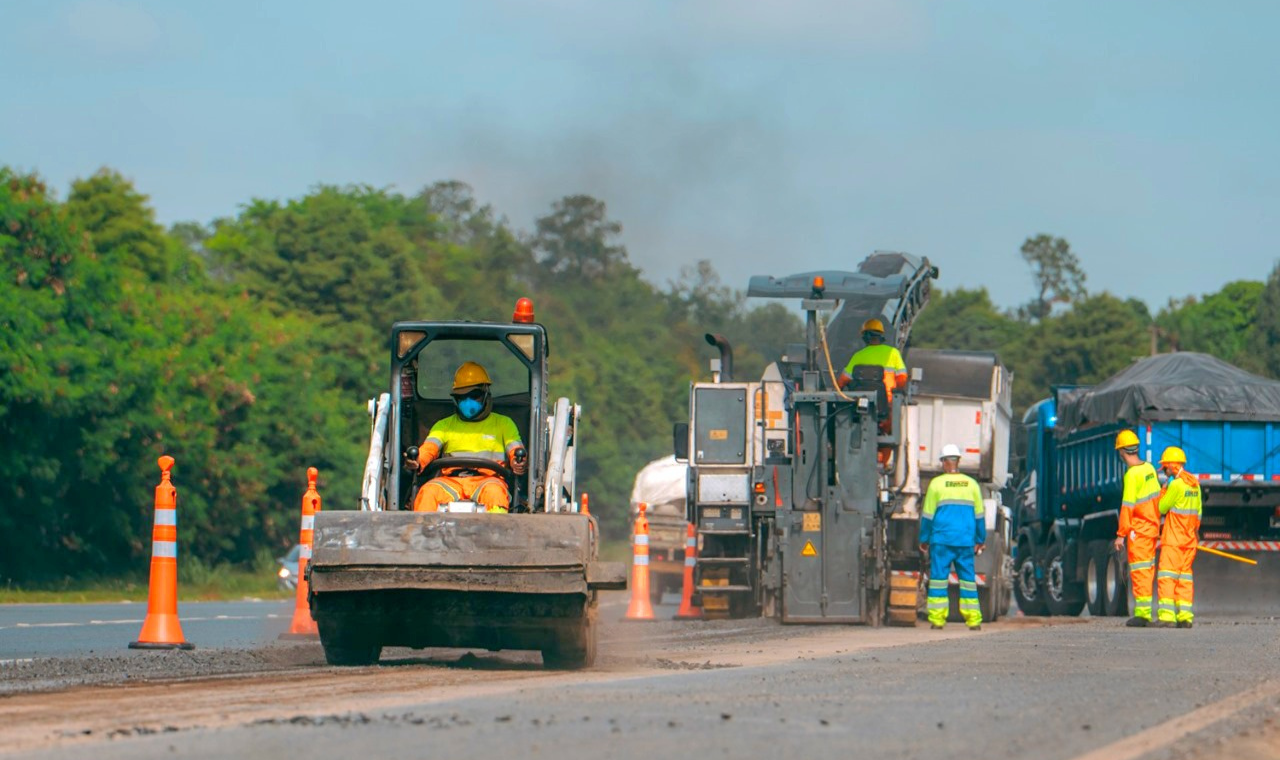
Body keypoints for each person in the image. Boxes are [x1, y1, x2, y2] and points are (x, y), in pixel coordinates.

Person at [407, 361, 527, 513]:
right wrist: (417, 461)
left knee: (495, 495)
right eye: (461, 397)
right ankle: (423, 535)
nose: (467, 401)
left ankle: (496, 535)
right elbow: (429, 449)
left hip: (488, 481)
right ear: (455, 400)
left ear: (485, 393)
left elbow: (516, 450)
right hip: (450, 482)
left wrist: (518, 463)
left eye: (473, 395)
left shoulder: (504, 424)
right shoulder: (444, 425)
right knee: (428, 493)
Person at [920, 444, 986, 631]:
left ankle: (937, 620)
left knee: (939, 579)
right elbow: (979, 516)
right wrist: (980, 539)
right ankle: (974, 621)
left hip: (941, 541)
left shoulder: (936, 484)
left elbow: (928, 516)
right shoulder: (971, 484)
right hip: (965, 541)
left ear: (943, 462)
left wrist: (924, 539)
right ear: (959, 461)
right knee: (967, 580)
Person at [1112, 430, 1162, 627]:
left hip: (1139, 530)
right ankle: (1145, 612)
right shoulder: (1149, 469)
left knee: (1140, 571)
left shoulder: (1132, 475)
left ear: (1122, 451)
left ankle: (1142, 615)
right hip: (1152, 529)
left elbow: (1127, 506)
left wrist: (1120, 535)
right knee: (1147, 570)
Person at [1155, 446, 1202, 628]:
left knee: (1167, 577)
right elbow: (1198, 513)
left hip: (1173, 541)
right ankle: (1185, 617)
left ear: (1172, 466)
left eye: (1165, 468)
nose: (1165, 473)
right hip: (1189, 541)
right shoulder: (1194, 484)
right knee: (1185, 579)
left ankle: (1167, 617)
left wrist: (1164, 490)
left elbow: (1162, 508)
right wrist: (1192, 532)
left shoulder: (1175, 485)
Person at [837, 318, 908, 395]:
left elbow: (842, 382)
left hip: (860, 400)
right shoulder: (894, 353)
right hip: (887, 402)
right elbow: (902, 378)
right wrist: (896, 393)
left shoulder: (858, 356)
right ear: (881, 335)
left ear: (866, 337)